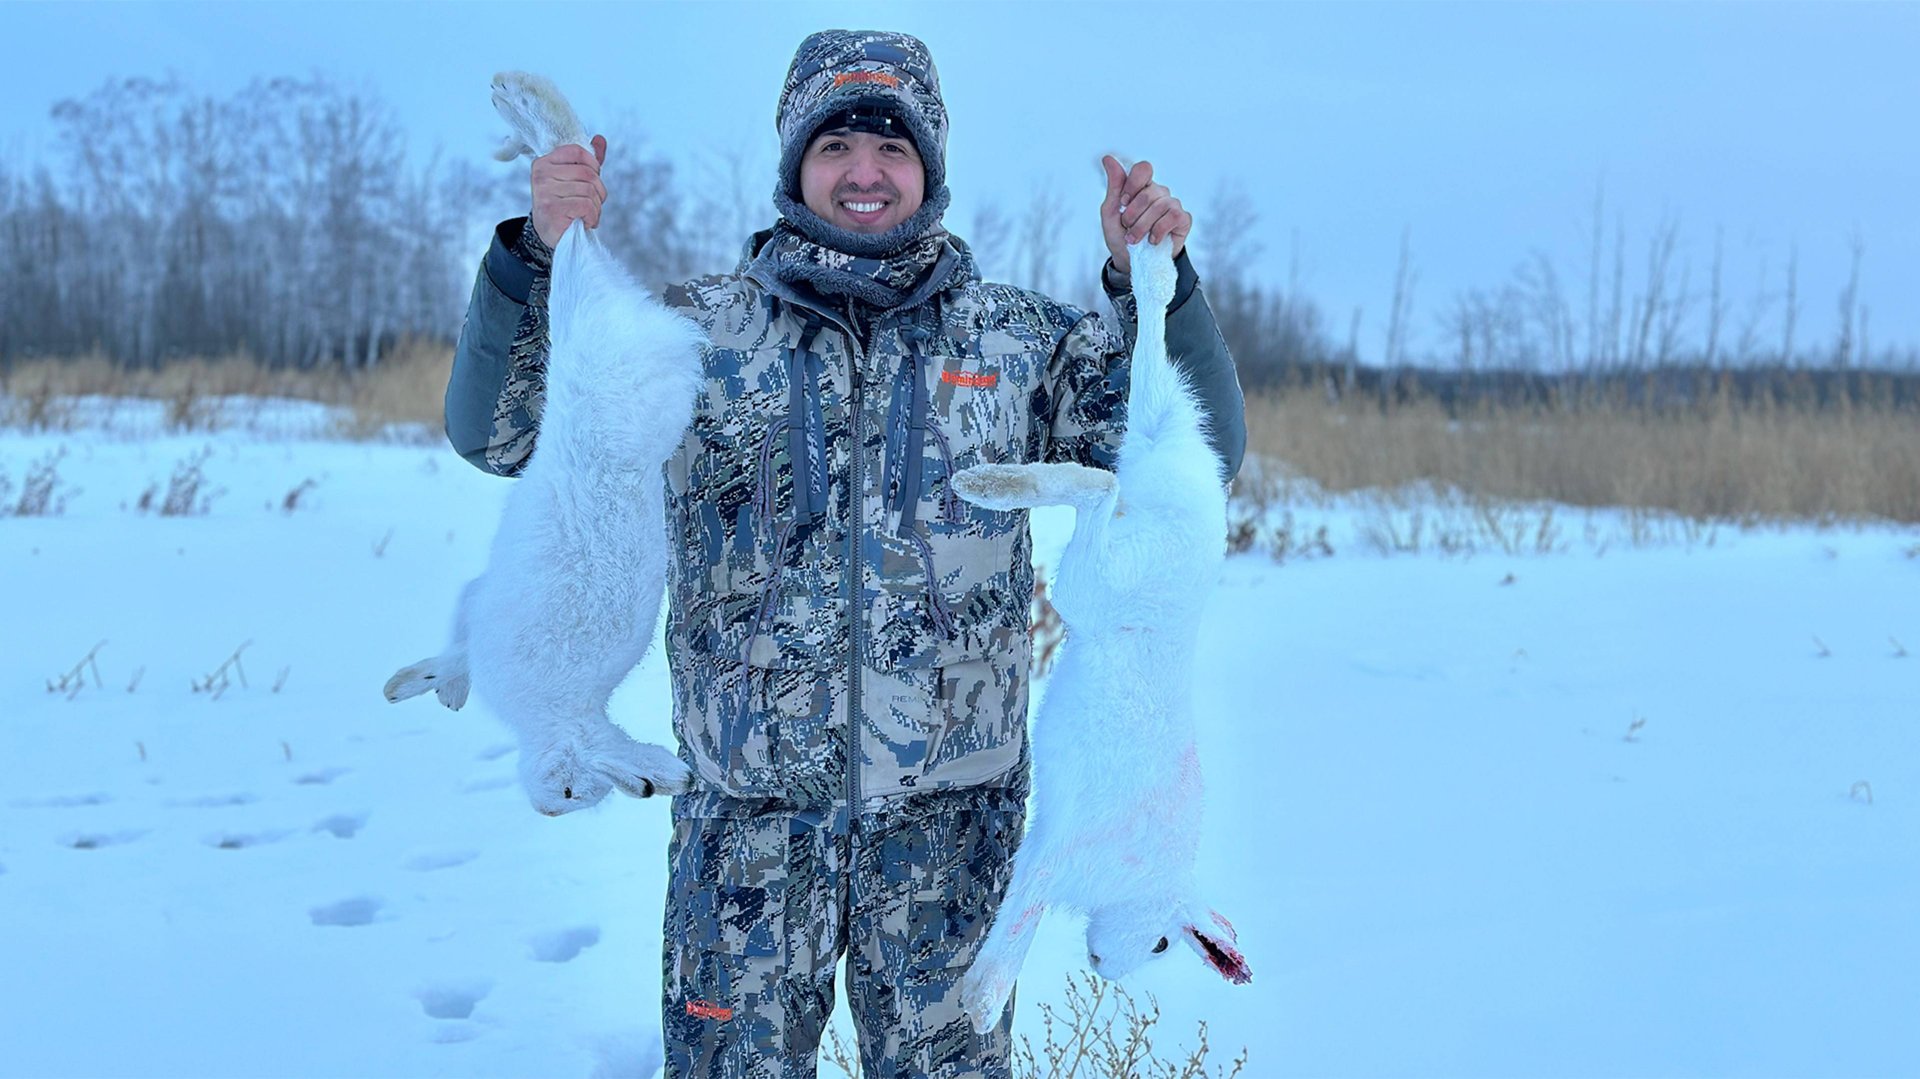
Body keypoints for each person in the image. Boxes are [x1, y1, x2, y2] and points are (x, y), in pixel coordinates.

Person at [444, 29, 1246, 1079]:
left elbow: (1197, 464)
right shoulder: (696, 333)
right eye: (835, 144)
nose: (865, 170)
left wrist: (1155, 284)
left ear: (930, 167)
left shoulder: (1017, 343)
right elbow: (498, 434)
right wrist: (540, 256)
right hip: (745, 836)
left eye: (892, 146)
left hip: (951, 844)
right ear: (793, 163)